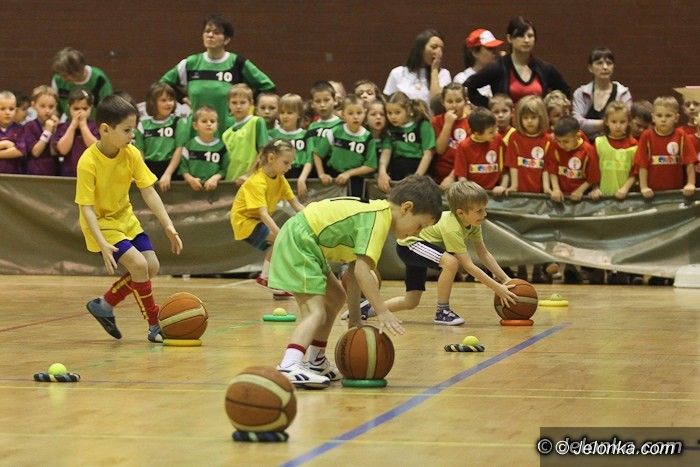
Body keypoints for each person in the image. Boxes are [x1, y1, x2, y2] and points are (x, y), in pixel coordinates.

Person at [269, 175, 443, 388]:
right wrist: (382, 311)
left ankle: (316, 360)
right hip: (300, 240)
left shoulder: (376, 213)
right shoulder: (377, 221)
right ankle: (289, 364)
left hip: (305, 240)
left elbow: (353, 271)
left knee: (336, 298)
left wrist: (355, 318)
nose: (417, 233)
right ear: (407, 208)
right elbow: (362, 272)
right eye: (420, 226)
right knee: (315, 312)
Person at [77, 95, 183, 343]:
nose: (132, 135)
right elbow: (86, 208)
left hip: (125, 218)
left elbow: (148, 190)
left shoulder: (131, 153)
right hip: (101, 224)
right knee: (138, 265)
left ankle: (104, 304)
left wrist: (168, 225)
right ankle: (154, 324)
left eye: (133, 129)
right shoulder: (87, 162)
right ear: (105, 130)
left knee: (151, 267)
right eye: (126, 130)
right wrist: (101, 242)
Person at [353, 181, 517, 325]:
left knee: (411, 302)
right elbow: (468, 266)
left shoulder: (474, 224)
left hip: (418, 247)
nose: (484, 214)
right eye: (479, 211)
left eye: (484, 209)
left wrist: (506, 279)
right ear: (461, 213)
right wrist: (498, 288)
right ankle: (442, 311)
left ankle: (366, 309)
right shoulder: (452, 227)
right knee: (451, 263)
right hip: (410, 245)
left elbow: (484, 254)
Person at [160, 14, 275, 132]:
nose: (210, 35)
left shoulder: (237, 63)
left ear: (226, 39)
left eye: (216, 32)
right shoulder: (190, 63)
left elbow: (268, 86)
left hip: (229, 131)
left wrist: (246, 106)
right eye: (207, 31)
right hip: (196, 134)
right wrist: (183, 98)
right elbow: (162, 85)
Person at [231, 140, 304, 300]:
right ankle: (265, 278)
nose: (289, 167)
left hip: (257, 220)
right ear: (271, 158)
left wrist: (314, 216)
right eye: (286, 162)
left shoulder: (280, 179)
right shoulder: (257, 182)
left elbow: (296, 204)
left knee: (283, 243)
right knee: (283, 239)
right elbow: (263, 214)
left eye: (291, 163)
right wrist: (279, 233)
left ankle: (277, 286)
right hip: (245, 221)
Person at [465, 16, 570, 109]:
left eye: (530, 36)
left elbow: (565, 91)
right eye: (520, 35)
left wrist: (548, 111)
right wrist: (491, 105)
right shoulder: (497, 67)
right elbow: (469, 87)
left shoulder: (545, 68)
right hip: (507, 125)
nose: (526, 40)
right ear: (509, 38)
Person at [505, 95, 553, 283]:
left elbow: (548, 167)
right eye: (525, 118)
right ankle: (522, 268)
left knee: (539, 233)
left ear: (541, 118)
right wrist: (514, 186)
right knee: (520, 233)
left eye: (533, 117)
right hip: (520, 196)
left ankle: (539, 268)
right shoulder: (514, 138)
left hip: (539, 197)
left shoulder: (547, 140)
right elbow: (512, 164)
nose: (529, 121)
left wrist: (547, 187)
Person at [314, 94, 377, 198]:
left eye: (359, 113)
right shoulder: (334, 132)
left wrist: (348, 173)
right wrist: (321, 174)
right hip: (334, 177)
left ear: (365, 112)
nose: (355, 117)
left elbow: (371, 166)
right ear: (343, 114)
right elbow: (317, 154)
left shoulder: (368, 137)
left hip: (357, 180)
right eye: (350, 113)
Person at [634, 96, 696, 198]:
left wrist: (690, 183)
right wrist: (644, 187)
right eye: (659, 115)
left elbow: (690, 163)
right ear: (653, 117)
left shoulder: (681, 135)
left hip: (677, 193)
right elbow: (642, 164)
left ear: (676, 118)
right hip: (652, 194)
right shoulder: (646, 136)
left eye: (668, 116)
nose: (663, 119)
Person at [378, 92, 436, 192]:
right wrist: (382, 172)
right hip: (397, 171)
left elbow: (428, 154)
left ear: (408, 110)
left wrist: (416, 177)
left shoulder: (422, 125)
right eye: (389, 113)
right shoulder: (389, 130)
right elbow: (386, 152)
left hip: (419, 170)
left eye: (397, 112)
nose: (393, 117)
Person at [572, 48, 632, 141]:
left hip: (614, 143)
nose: (605, 67)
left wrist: (591, 125)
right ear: (590, 68)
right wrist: (606, 123)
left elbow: (626, 122)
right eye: (599, 63)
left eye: (609, 63)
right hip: (585, 143)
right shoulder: (581, 93)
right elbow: (577, 123)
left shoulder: (623, 93)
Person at [134, 82, 185, 191]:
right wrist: (144, 174)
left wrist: (168, 174)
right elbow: (140, 153)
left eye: (171, 99)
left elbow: (179, 149)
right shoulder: (142, 125)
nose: (168, 103)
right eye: (163, 100)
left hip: (171, 170)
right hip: (149, 168)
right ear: (153, 102)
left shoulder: (178, 122)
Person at [383, 29, 452, 109]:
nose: (439, 53)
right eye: (434, 47)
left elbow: (436, 104)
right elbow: (388, 104)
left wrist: (434, 70)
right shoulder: (398, 73)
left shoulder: (443, 74)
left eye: (441, 49)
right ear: (420, 49)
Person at [221, 83, 269, 184]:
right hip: (231, 181)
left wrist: (248, 175)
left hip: (252, 181)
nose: (238, 106)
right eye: (234, 103)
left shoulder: (257, 122)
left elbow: (264, 152)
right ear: (228, 104)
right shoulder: (226, 134)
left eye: (242, 102)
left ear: (251, 103)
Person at [546, 116, 601, 203]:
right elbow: (552, 171)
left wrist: (580, 191)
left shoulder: (589, 151)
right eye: (559, 141)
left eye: (566, 141)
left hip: (582, 198)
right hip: (561, 196)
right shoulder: (555, 146)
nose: (562, 145)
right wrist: (556, 189)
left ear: (577, 136)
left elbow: (592, 178)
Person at [454, 107, 508, 194]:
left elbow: (506, 169)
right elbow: (462, 177)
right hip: (473, 194)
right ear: (477, 133)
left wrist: (503, 186)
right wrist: (468, 192)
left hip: (494, 193)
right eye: (491, 132)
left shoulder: (498, 139)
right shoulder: (463, 146)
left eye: (496, 128)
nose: (495, 133)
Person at [268, 93, 312, 196]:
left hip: (299, 175)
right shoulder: (272, 134)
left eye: (290, 112)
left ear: (299, 114)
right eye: (282, 112)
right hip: (277, 176)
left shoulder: (306, 135)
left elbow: (309, 159)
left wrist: (302, 178)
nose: (285, 116)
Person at [51, 47, 113, 119]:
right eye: (61, 74)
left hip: (96, 123)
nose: (63, 78)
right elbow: (56, 108)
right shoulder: (58, 79)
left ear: (76, 71)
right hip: (70, 123)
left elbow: (107, 109)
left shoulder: (99, 79)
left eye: (65, 75)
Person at [179, 105, 228, 192]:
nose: (209, 124)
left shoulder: (222, 147)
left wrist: (215, 178)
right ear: (195, 125)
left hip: (214, 189)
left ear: (217, 125)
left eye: (212, 121)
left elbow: (224, 169)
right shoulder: (189, 146)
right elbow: (183, 168)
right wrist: (190, 179)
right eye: (204, 121)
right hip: (192, 189)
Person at [595, 102, 638, 199]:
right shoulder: (599, 142)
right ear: (606, 122)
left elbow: (635, 172)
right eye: (614, 122)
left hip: (626, 196)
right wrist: (595, 188)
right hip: (602, 197)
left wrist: (625, 188)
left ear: (628, 122)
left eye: (622, 122)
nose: (618, 126)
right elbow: (592, 170)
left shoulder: (634, 145)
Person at [52, 88, 98, 177]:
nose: (80, 112)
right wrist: (72, 127)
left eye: (85, 109)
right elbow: (63, 150)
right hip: (68, 174)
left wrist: (83, 126)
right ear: (69, 108)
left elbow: (95, 148)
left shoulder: (95, 127)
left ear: (90, 108)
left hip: (91, 174)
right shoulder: (63, 127)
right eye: (76, 109)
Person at [432, 83, 470, 187]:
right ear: (443, 102)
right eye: (449, 101)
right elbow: (440, 150)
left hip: (462, 175)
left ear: (465, 101)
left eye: (458, 101)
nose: (454, 105)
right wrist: (448, 124)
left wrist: (452, 176)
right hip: (439, 175)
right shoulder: (436, 121)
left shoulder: (471, 122)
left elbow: (468, 156)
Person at [453, 28, 504, 99]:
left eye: (495, 48)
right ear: (475, 52)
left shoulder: (500, 75)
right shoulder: (461, 79)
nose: (494, 52)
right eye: (490, 48)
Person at [305, 81, 342, 173]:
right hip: (313, 172)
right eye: (318, 101)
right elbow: (310, 153)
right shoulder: (312, 127)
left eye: (326, 100)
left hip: (336, 172)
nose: (322, 105)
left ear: (335, 101)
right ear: (312, 104)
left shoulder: (341, 125)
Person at [24, 86, 60, 176]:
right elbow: (36, 152)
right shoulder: (29, 126)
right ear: (33, 105)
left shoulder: (59, 126)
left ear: (56, 106)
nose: (47, 110)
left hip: (53, 172)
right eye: (42, 106)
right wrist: (47, 132)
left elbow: (55, 152)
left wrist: (54, 131)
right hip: (35, 172)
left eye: (51, 107)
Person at [0, 91, 26, 174]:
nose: (7, 113)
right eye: (2, 109)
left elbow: (20, 151)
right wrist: (5, 144)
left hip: (14, 176)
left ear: (16, 110)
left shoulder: (20, 129)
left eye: (11, 109)